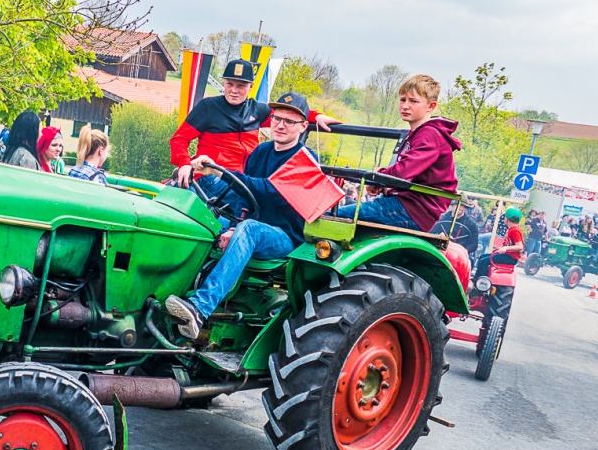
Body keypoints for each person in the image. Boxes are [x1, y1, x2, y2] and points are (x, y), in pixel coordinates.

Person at [164, 92, 317, 338]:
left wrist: (220, 172)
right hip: (252, 226)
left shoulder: (305, 159)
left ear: (303, 127)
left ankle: (200, 309)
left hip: (284, 236)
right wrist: (235, 225)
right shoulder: (261, 152)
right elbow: (245, 197)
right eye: (277, 118)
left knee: (250, 229)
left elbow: (268, 191)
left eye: (289, 121)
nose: (280, 125)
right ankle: (167, 292)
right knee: (204, 224)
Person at [169, 58, 335, 196]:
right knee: (259, 198)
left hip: (242, 179)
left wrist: (316, 116)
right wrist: (184, 163)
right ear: (224, 83)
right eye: (229, 84)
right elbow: (179, 139)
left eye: (240, 86)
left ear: (251, 86)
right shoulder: (207, 107)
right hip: (213, 176)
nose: (234, 90)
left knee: (258, 194)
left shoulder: (257, 110)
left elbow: (289, 115)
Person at [334, 75, 459, 231]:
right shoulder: (415, 134)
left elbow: (404, 170)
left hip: (411, 210)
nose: (405, 106)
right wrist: (386, 186)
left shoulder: (430, 134)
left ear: (431, 106)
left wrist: (377, 179)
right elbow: (410, 176)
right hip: (403, 204)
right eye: (402, 100)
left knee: (331, 215)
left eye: (413, 101)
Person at [472, 207, 525, 281]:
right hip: (507, 255)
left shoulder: (515, 231)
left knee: (483, 261)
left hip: (510, 257)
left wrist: (506, 248)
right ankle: (478, 278)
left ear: (506, 219)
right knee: (482, 257)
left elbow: (520, 246)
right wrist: (501, 248)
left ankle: (481, 282)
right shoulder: (511, 229)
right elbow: (508, 243)